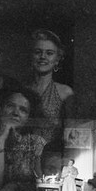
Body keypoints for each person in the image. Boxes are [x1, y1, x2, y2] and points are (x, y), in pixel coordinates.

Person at [27, 29, 75, 174]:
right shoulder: (21, 91)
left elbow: (71, 137)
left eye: (49, 53)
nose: (43, 57)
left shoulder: (65, 93)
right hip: (23, 161)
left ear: (57, 59)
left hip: (51, 162)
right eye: (38, 52)